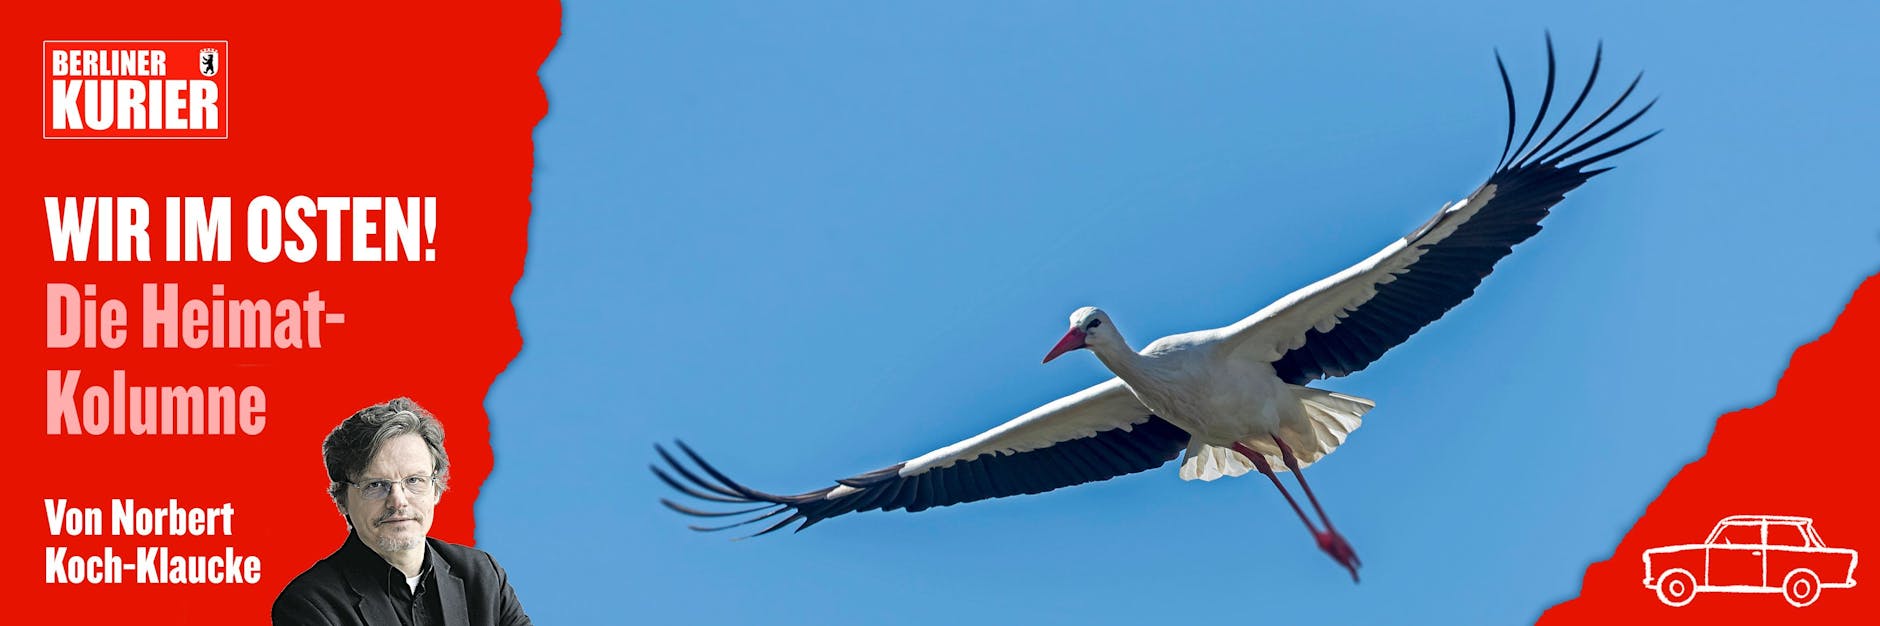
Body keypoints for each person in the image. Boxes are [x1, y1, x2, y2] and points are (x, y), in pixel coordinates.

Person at [273, 398, 531, 626]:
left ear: (436, 489)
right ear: (341, 500)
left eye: (414, 480)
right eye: (376, 485)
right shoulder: (310, 605)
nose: (398, 501)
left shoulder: (483, 576)